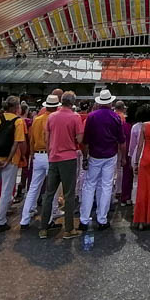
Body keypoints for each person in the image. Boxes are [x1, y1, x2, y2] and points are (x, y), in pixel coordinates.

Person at [39, 91, 84, 239]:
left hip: (53, 157)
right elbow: (79, 138)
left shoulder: (51, 117)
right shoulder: (75, 117)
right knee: (69, 194)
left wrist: (50, 152)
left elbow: (47, 137)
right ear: (73, 103)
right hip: (68, 157)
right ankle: (69, 229)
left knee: (49, 193)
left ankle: (43, 228)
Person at [79, 90, 126, 231]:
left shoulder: (91, 117)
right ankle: (102, 218)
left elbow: (85, 140)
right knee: (105, 186)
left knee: (89, 185)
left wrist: (85, 157)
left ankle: (84, 219)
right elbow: (121, 141)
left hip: (94, 154)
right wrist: (123, 157)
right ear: (110, 102)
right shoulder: (116, 118)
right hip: (110, 155)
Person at [0, 96, 27, 232]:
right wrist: (8, 160)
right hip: (10, 161)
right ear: (15, 107)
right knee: (6, 191)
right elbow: (16, 143)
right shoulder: (18, 122)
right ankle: (0, 221)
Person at [20, 94, 58, 229]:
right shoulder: (54, 119)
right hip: (51, 154)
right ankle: (51, 217)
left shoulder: (37, 119)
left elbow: (31, 139)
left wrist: (31, 154)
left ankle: (24, 218)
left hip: (37, 154)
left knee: (33, 187)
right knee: (51, 187)